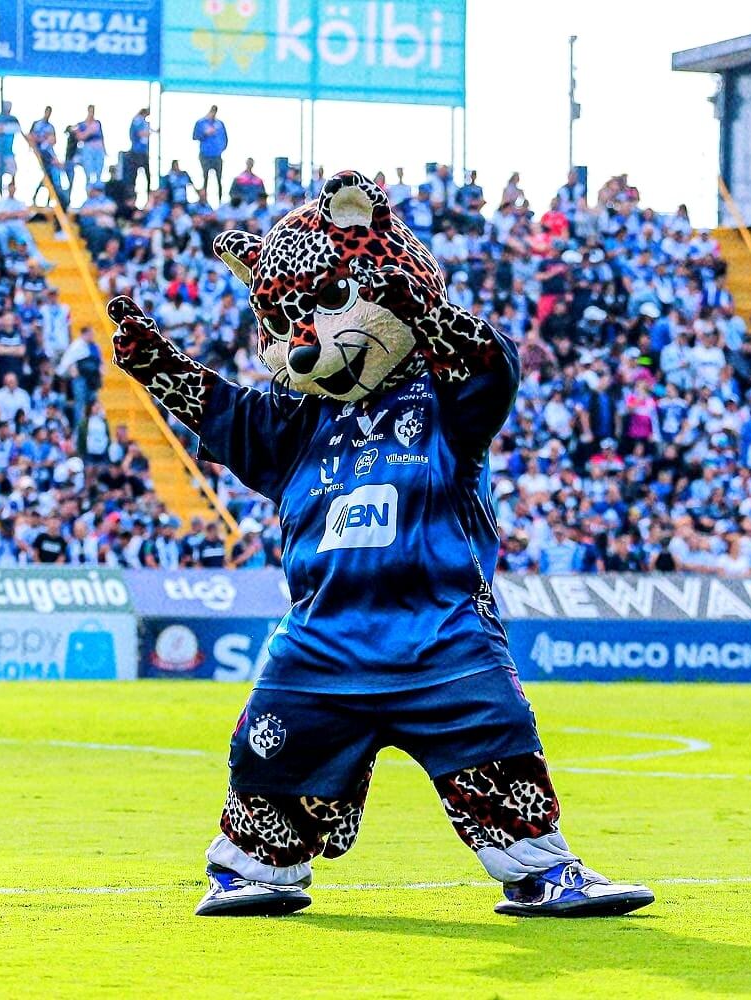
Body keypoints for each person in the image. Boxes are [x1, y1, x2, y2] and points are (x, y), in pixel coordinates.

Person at [108, 170, 652, 920]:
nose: (302, 347)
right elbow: (224, 413)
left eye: (327, 306)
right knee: (268, 756)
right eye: (283, 325)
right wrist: (157, 366)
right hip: (322, 642)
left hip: (440, 633)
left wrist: (422, 309)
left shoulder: (442, 402)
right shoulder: (295, 423)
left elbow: (490, 369)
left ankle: (541, 872)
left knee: (497, 739)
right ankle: (254, 869)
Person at [193, 105, 228, 201]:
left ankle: (220, 200)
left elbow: (225, 137)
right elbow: (195, 136)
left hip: (217, 155)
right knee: (205, 179)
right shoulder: (201, 122)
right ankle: (204, 200)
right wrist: (205, 133)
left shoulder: (219, 123)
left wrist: (221, 148)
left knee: (219, 180)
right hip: (205, 155)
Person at [0, 101, 21, 194]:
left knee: (12, 169)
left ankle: (11, 189)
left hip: (8, 150)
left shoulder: (13, 119)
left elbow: (17, 129)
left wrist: (3, 129)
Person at [126, 107, 154, 197]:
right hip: (137, 152)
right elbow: (140, 133)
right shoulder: (138, 120)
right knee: (135, 174)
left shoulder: (142, 121)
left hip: (143, 151)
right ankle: (132, 194)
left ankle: (148, 193)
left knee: (146, 175)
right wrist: (149, 133)